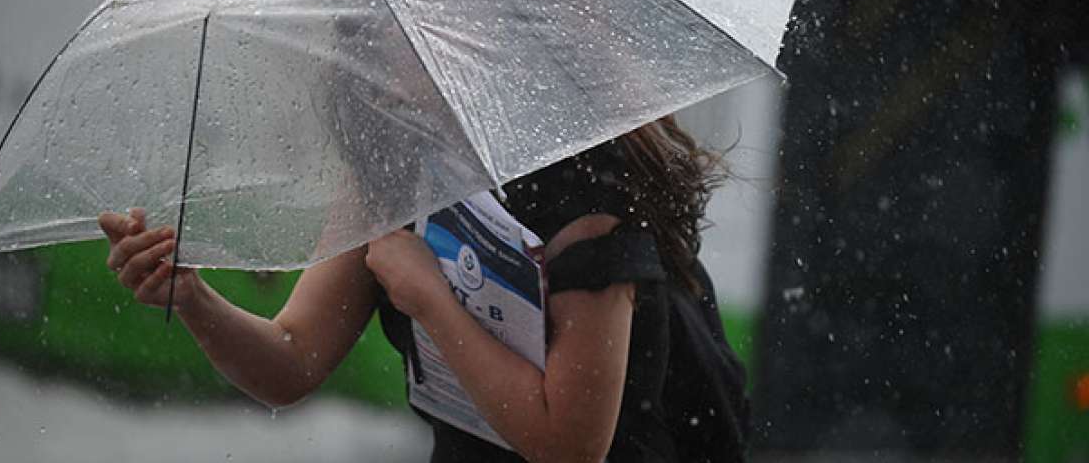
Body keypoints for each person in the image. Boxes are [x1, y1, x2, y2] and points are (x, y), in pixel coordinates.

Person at [99, 115, 750, 462]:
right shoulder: (394, 167)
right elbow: (290, 357)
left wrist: (431, 298)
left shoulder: (587, 199)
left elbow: (567, 446)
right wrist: (192, 298)